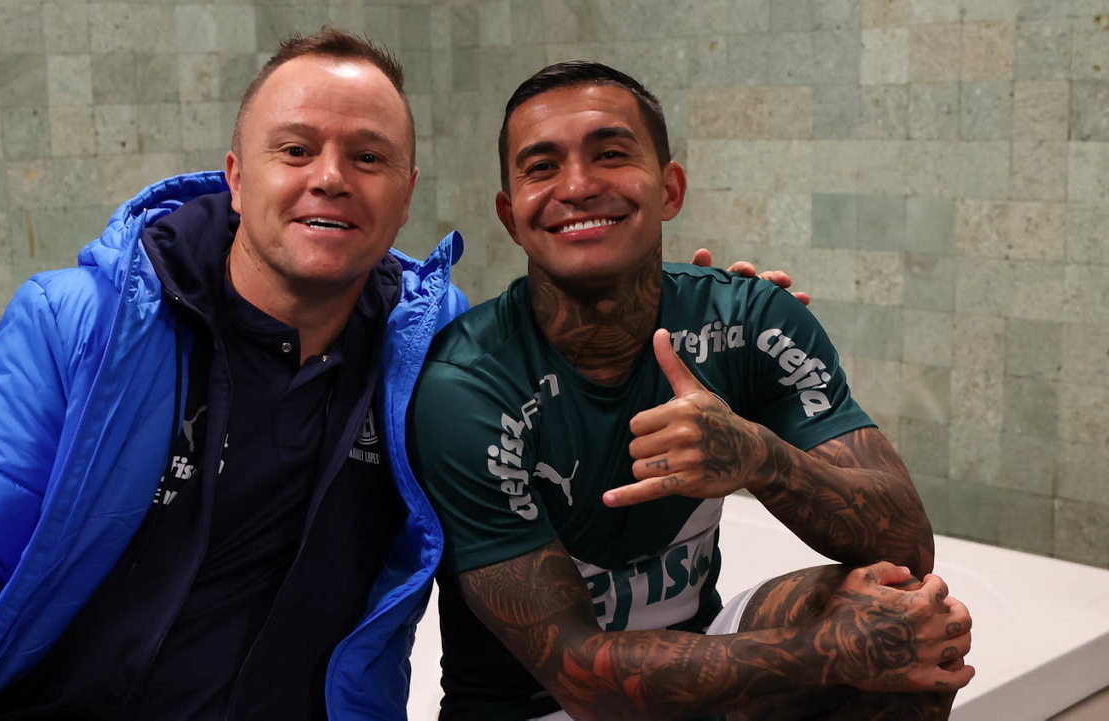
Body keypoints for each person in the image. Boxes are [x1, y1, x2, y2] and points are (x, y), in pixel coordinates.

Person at [0, 30, 468, 719]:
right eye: (295, 150)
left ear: (406, 194)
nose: (331, 177)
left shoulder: (432, 350)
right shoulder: (81, 328)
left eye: (368, 157)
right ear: (237, 177)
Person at [407, 61, 974, 720]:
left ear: (670, 188)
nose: (579, 186)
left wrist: (761, 458)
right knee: (869, 642)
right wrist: (826, 652)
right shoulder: (469, 385)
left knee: (906, 614)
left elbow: (906, 547)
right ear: (511, 216)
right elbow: (583, 679)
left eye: (610, 154)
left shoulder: (747, 320)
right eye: (542, 167)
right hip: (538, 706)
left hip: (699, 652)